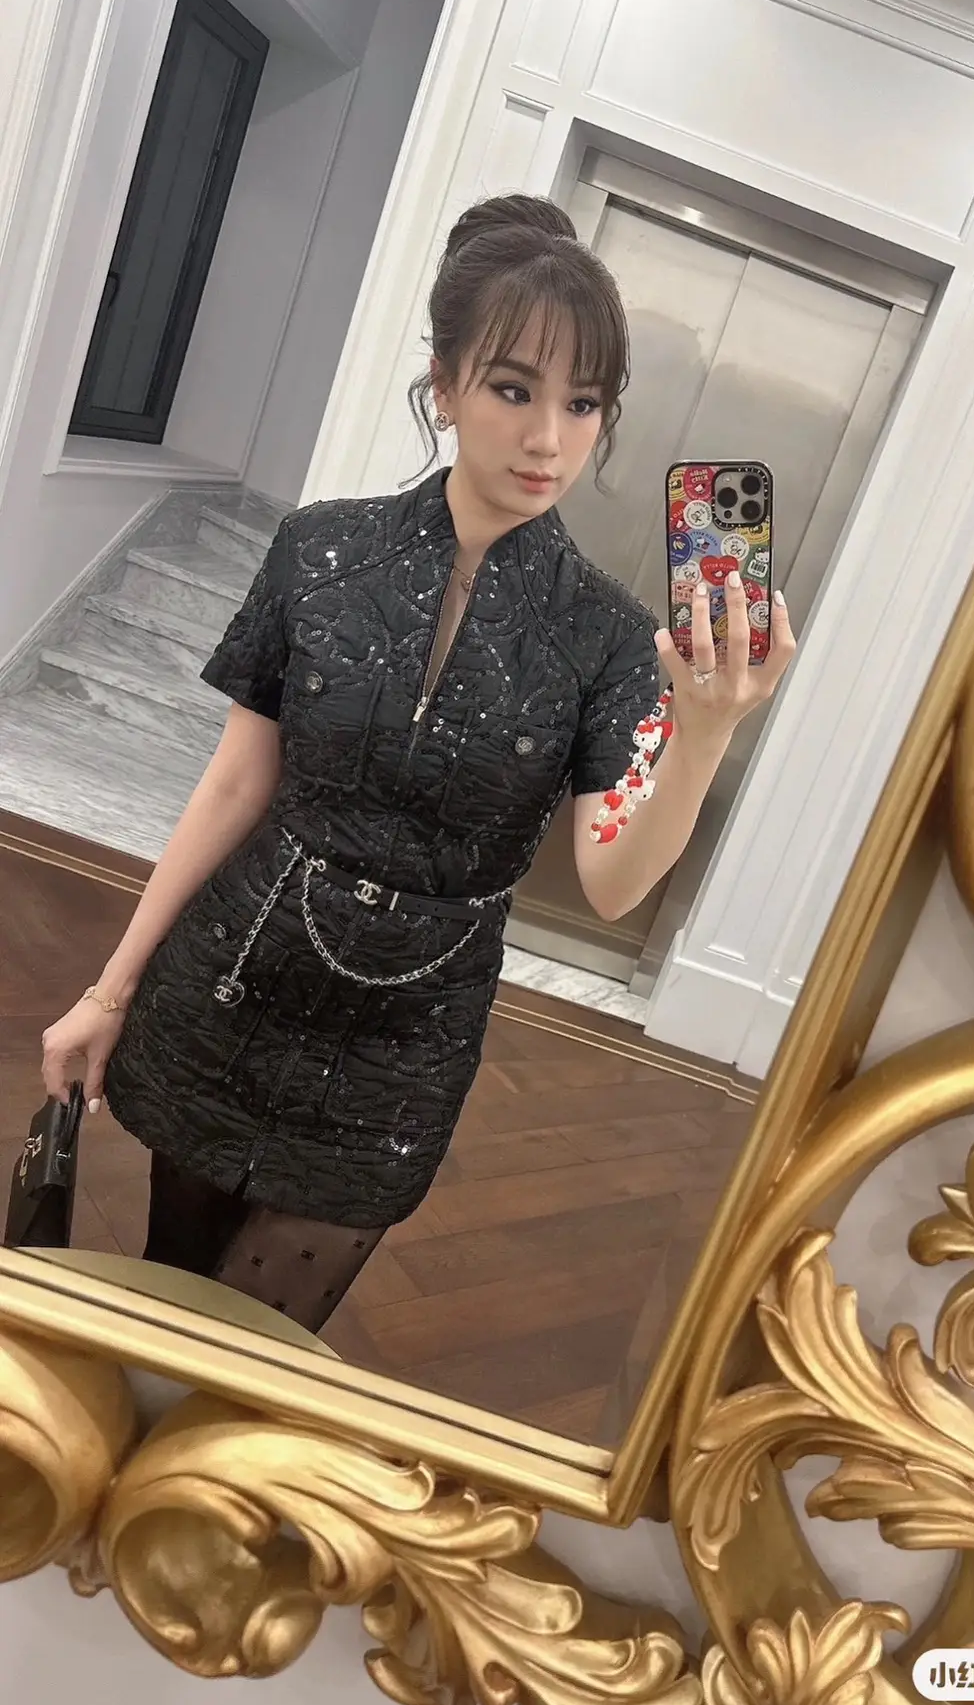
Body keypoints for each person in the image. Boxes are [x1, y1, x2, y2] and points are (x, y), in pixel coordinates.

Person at [40, 193, 796, 1331]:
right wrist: (111, 989)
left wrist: (707, 732)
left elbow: (612, 884)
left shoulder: (606, 635)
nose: (549, 439)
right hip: (232, 984)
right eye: (514, 389)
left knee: (260, 1352)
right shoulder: (319, 550)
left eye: (583, 402)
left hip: (403, 1045)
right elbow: (236, 786)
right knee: (160, 1295)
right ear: (443, 386)